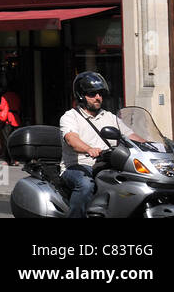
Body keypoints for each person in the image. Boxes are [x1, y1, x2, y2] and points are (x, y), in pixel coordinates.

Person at [58, 71, 142, 218]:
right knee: (85, 185)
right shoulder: (70, 117)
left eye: (100, 94)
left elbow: (131, 136)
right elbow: (72, 139)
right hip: (78, 167)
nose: (98, 97)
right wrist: (89, 149)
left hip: (107, 166)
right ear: (81, 96)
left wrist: (155, 146)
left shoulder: (109, 117)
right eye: (92, 94)